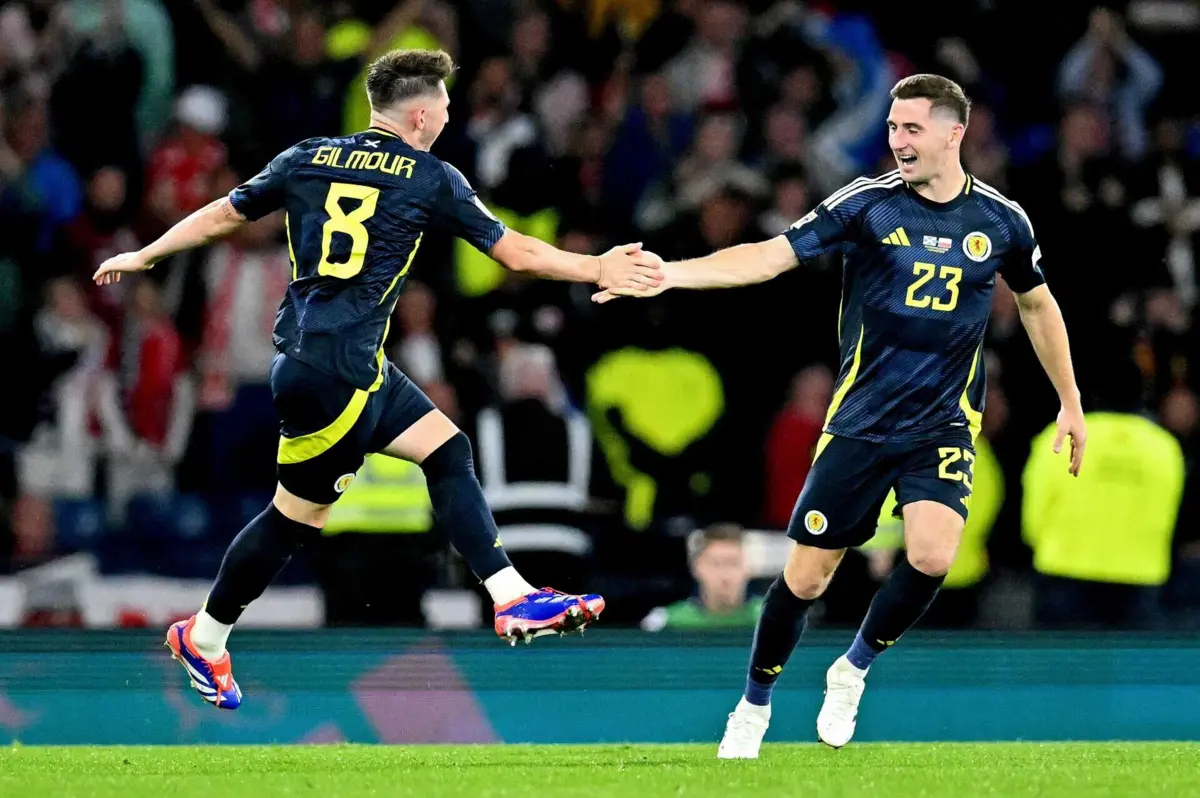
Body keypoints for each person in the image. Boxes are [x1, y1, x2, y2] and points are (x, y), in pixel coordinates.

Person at [93, 49, 662, 710]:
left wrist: (147, 252)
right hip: (336, 374)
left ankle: (511, 596)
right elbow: (517, 252)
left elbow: (224, 212)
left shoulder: (307, 155)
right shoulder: (428, 177)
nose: (449, 116)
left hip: (336, 363)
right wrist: (597, 269)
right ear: (420, 113)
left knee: (446, 449)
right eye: (445, 106)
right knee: (292, 519)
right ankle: (206, 634)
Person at [594, 74, 1087, 756]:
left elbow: (1036, 303)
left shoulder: (1002, 221)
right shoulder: (867, 205)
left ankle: (852, 666)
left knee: (934, 552)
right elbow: (768, 257)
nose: (898, 141)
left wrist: (1069, 400)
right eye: (891, 128)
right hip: (860, 421)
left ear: (953, 133)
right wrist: (673, 273)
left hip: (942, 421)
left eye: (912, 128)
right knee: (806, 577)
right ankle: (754, 703)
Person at [641, 523, 763, 631]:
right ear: (696, 568)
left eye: (733, 563)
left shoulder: (773, 618)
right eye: (716, 564)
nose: (725, 574)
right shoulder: (666, 623)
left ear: (748, 568)